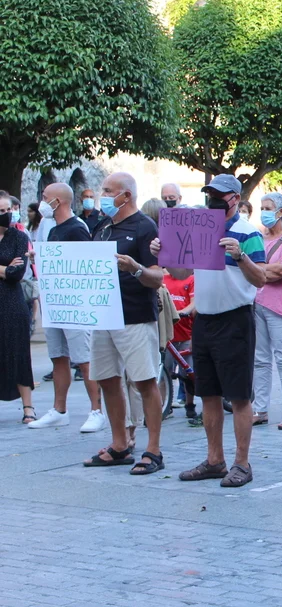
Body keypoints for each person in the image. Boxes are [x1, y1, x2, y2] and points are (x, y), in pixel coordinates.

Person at [155, 174, 267, 488]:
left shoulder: (248, 233)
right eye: (210, 194)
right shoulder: (200, 228)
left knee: (239, 395)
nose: (214, 200)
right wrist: (163, 252)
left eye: (220, 195)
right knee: (208, 394)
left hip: (235, 319)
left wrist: (239, 255)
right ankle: (215, 459)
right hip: (204, 319)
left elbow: (261, 278)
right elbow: (181, 272)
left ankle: (242, 463)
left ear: (236, 198)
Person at [83, 172, 165, 474]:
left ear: (126, 195)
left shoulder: (145, 227)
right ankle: (120, 445)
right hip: (103, 314)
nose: (102, 196)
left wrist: (135, 268)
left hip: (134, 316)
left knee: (144, 381)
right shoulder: (103, 227)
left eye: (108, 191)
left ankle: (153, 450)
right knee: (106, 378)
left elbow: (158, 277)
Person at [27, 183, 107, 433]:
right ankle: (59, 410)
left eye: (45, 197)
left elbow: (84, 265)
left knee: (84, 359)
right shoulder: (53, 229)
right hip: (56, 303)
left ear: (58, 201)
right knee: (58, 356)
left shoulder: (77, 228)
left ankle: (96, 411)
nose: (42, 202)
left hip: (75, 306)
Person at [252, 192, 282, 430]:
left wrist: (257, 271)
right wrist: (262, 271)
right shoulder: (257, 238)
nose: (264, 212)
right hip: (257, 303)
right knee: (260, 359)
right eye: (262, 208)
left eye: (268, 208)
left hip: (281, 306)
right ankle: (260, 409)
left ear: (281, 212)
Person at [0, 194, 34, 423]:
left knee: (19, 352)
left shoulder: (19, 237)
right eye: (1, 211)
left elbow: (16, 273)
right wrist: (4, 267)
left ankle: (28, 407)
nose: (6, 214)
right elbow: (8, 270)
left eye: (8, 210)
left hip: (12, 302)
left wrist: (7, 271)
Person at [163, 268, 197, 420]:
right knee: (165, 372)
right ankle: (165, 405)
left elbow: (194, 303)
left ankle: (190, 404)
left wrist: (182, 312)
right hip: (168, 335)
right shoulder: (163, 279)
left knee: (189, 373)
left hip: (186, 333)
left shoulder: (190, 279)